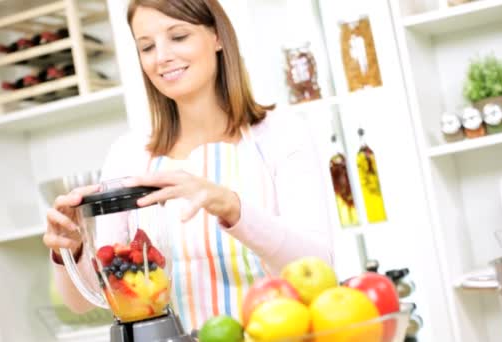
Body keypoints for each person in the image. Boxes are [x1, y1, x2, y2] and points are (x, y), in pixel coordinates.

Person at [43, 0, 333, 333]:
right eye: (147, 46)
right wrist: (72, 248)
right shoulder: (130, 155)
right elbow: (91, 299)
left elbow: (318, 267)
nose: (162, 56)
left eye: (178, 36)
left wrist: (232, 207)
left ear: (217, 38)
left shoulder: (280, 135)